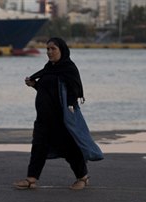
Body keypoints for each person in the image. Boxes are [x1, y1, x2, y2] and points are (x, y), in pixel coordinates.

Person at [13, 37, 102, 191]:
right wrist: (35, 84)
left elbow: (73, 91)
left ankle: (83, 177)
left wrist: (70, 109)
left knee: (70, 148)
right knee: (38, 147)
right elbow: (46, 89)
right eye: (47, 49)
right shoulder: (49, 68)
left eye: (53, 49)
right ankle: (31, 179)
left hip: (61, 118)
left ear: (62, 50)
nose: (49, 52)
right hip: (43, 118)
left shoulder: (68, 68)